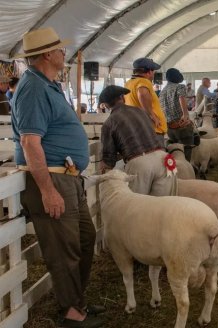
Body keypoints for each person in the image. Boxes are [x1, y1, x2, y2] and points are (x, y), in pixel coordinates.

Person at [10, 27, 104, 327]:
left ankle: (76, 301)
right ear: (48, 54)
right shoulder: (34, 88)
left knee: (84, 240)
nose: (65, 54)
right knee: (64, 249)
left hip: (68, 176)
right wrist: (48, 191)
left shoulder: (49, 85)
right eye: (61, 50)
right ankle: (71, 313)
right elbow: (29, 141)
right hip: (52, 179)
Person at [99, 85, 176, 196]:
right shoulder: (140, 111)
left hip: (140, 163)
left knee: (138, 208)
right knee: (162, 206)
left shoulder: (109, 123)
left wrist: (104, 169)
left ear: (105, 105)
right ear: (122, 97)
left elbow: (109, 159)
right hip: (163, 158)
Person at [124, 57, 167, 147]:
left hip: (137, 128)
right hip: (152, 130)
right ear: (149, 72)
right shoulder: (144, 82)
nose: (154, 73)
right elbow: (142, 93)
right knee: (157, 159)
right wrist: (152, 115)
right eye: (153, 71)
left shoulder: (128, 83)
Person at [159, 68, 194, 161]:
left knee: (175, 151)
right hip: (182, 124)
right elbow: (181, 98)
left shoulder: (162, 91)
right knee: (187, 148)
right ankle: (187, 169)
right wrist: (185, 114)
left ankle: (176, 170)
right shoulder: (180, 87)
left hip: (169, 127)